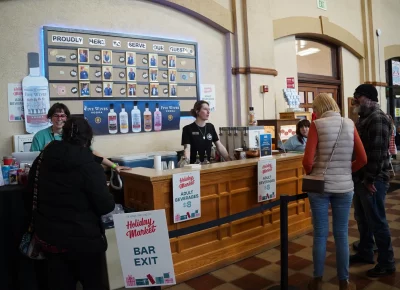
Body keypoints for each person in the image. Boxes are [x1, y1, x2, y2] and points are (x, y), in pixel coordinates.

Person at [26, 117, 115, 290]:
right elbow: (105, 206)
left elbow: (30, 190)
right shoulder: (90, 165)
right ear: (88, 138)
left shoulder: (44, 156)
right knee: (94, 283)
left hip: (49, 239)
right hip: (84, 241)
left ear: (64, 134)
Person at [303, 93, 367, 290]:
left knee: (320, 233)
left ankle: (317, 279)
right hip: (345, 186)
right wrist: (348, 170)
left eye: (314, 109)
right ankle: (343, 281)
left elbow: (307, 161)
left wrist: (313, 172)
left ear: (319, 109)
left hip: (320, 187)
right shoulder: (350, 124)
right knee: (342, 234)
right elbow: (363, 158)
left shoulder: (317, 126)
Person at [350, 84, 396, 277]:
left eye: (358, 98)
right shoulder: (365, 118)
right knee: (362, 218)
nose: (355, 102)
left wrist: (369, 180)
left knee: (377, 221)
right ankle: (366, 251)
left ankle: (386, 262)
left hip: (373, 179)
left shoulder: (377, 119)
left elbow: (376, 154)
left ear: (368, 98)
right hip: (362, 178)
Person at [30, 102, 128, 173]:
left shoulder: (74, 134)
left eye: (62, 116)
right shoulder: (39, 136)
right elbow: (32, 160)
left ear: (67, 118)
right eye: (56, 115)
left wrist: (114, 166)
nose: (59, 119)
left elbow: (92, 154)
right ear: (50, 117)